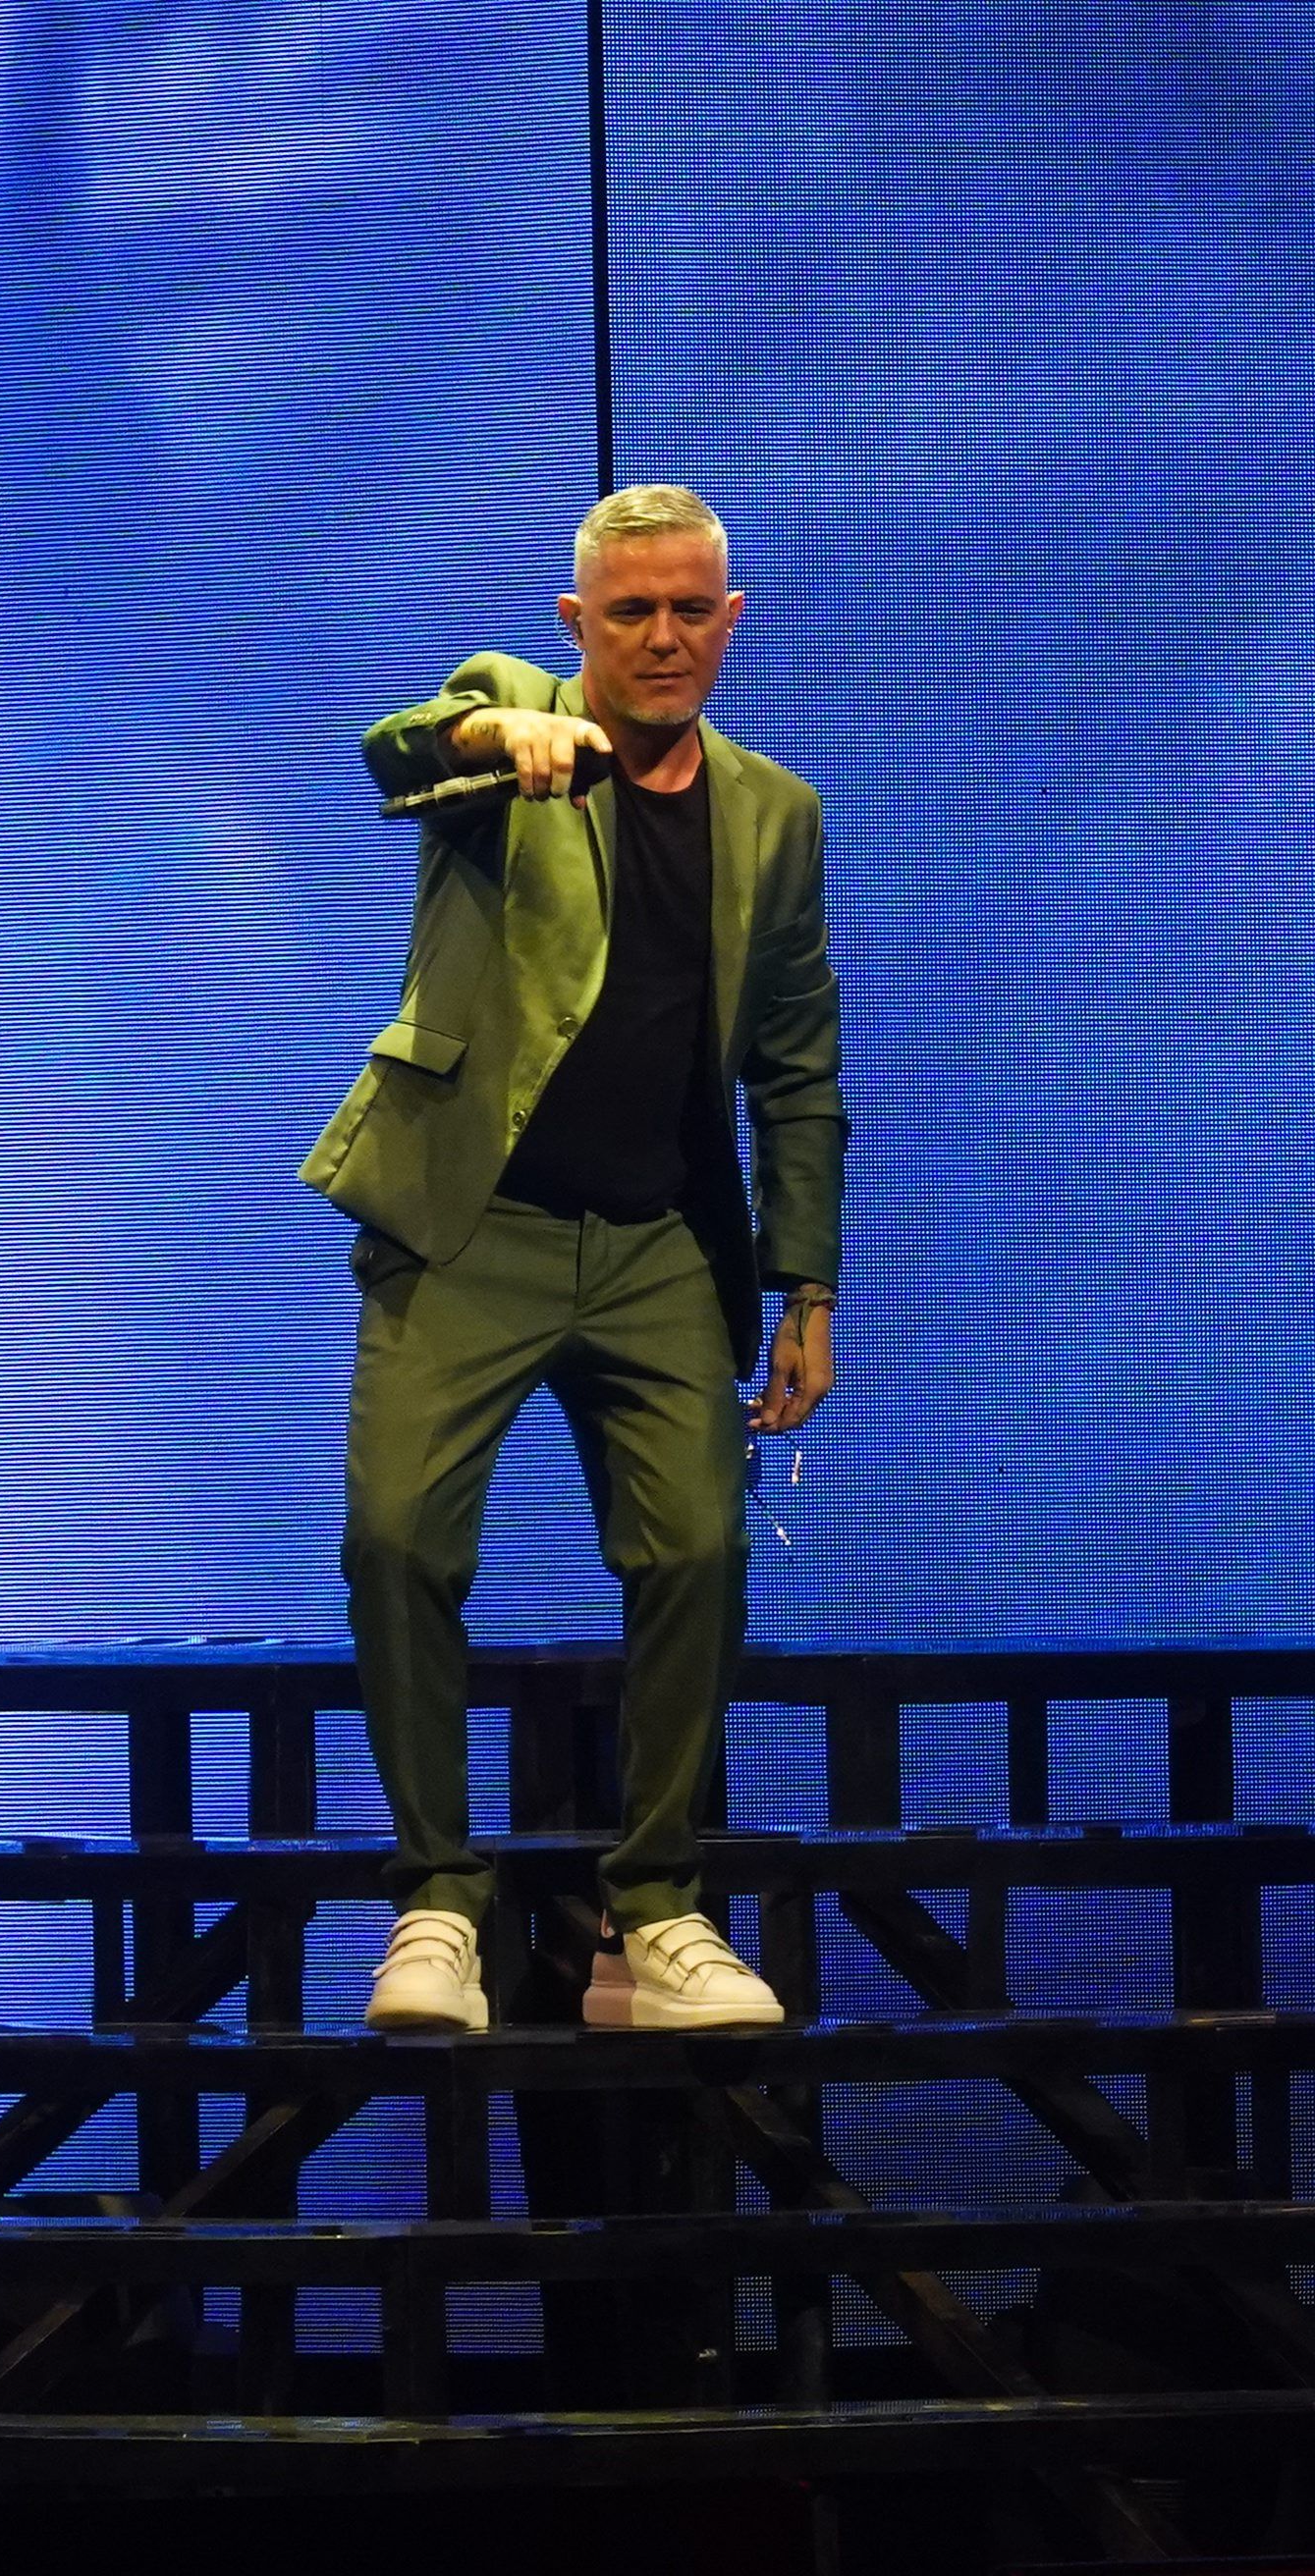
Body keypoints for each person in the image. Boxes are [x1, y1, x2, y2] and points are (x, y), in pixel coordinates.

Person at [303, 483, 847, 2034]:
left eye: (691, 610)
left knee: (699, 1553)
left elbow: (797, 1065)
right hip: (471, 1220)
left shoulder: (775, 814)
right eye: (631, 613)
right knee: (397, 1537)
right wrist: (499, 743)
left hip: (663, 1243)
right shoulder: (521, 716)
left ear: (730, 619)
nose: (663, 637)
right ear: (576, 625)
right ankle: (436, 1907)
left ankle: (656, 1913)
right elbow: (404, 747)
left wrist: (806, 1285)